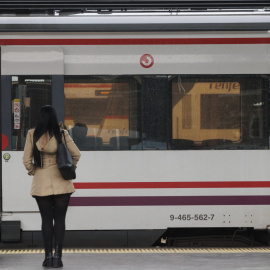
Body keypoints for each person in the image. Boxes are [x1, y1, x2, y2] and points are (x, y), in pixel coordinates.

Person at [23, 105, 81, 268]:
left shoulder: (31, 134)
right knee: (60, 219)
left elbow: (26, 160)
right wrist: (71, 169)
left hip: (41, 183)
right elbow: (76, 154)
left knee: (46, 220)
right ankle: (58, 258)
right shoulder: (62, 133)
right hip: (62, 182)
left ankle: (48, 257)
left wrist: (34, 171)